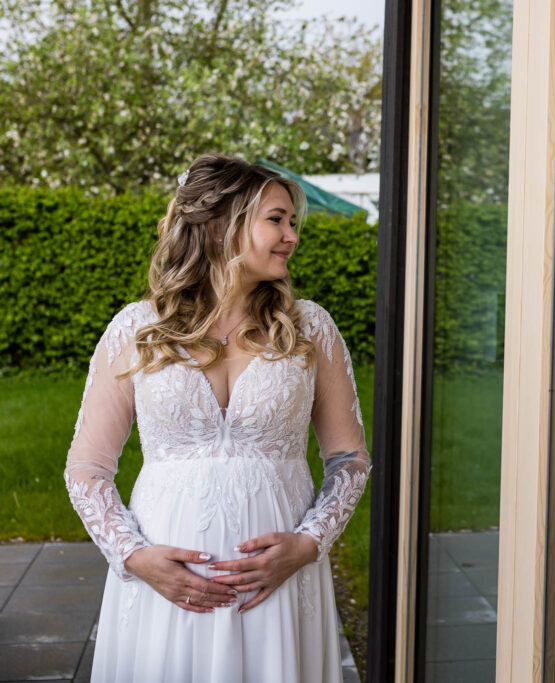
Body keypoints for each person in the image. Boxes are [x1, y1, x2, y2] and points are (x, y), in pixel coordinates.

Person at [64, 154, 370, 682]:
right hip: (165, 586)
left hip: (278, 587)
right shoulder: (138, 329)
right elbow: (87, 469)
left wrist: (307, 544)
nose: (291, 236)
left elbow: (349, 460)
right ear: (217, 226)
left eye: (292, 222)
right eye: (276, 219)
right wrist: (134, 557)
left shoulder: (310, 328)